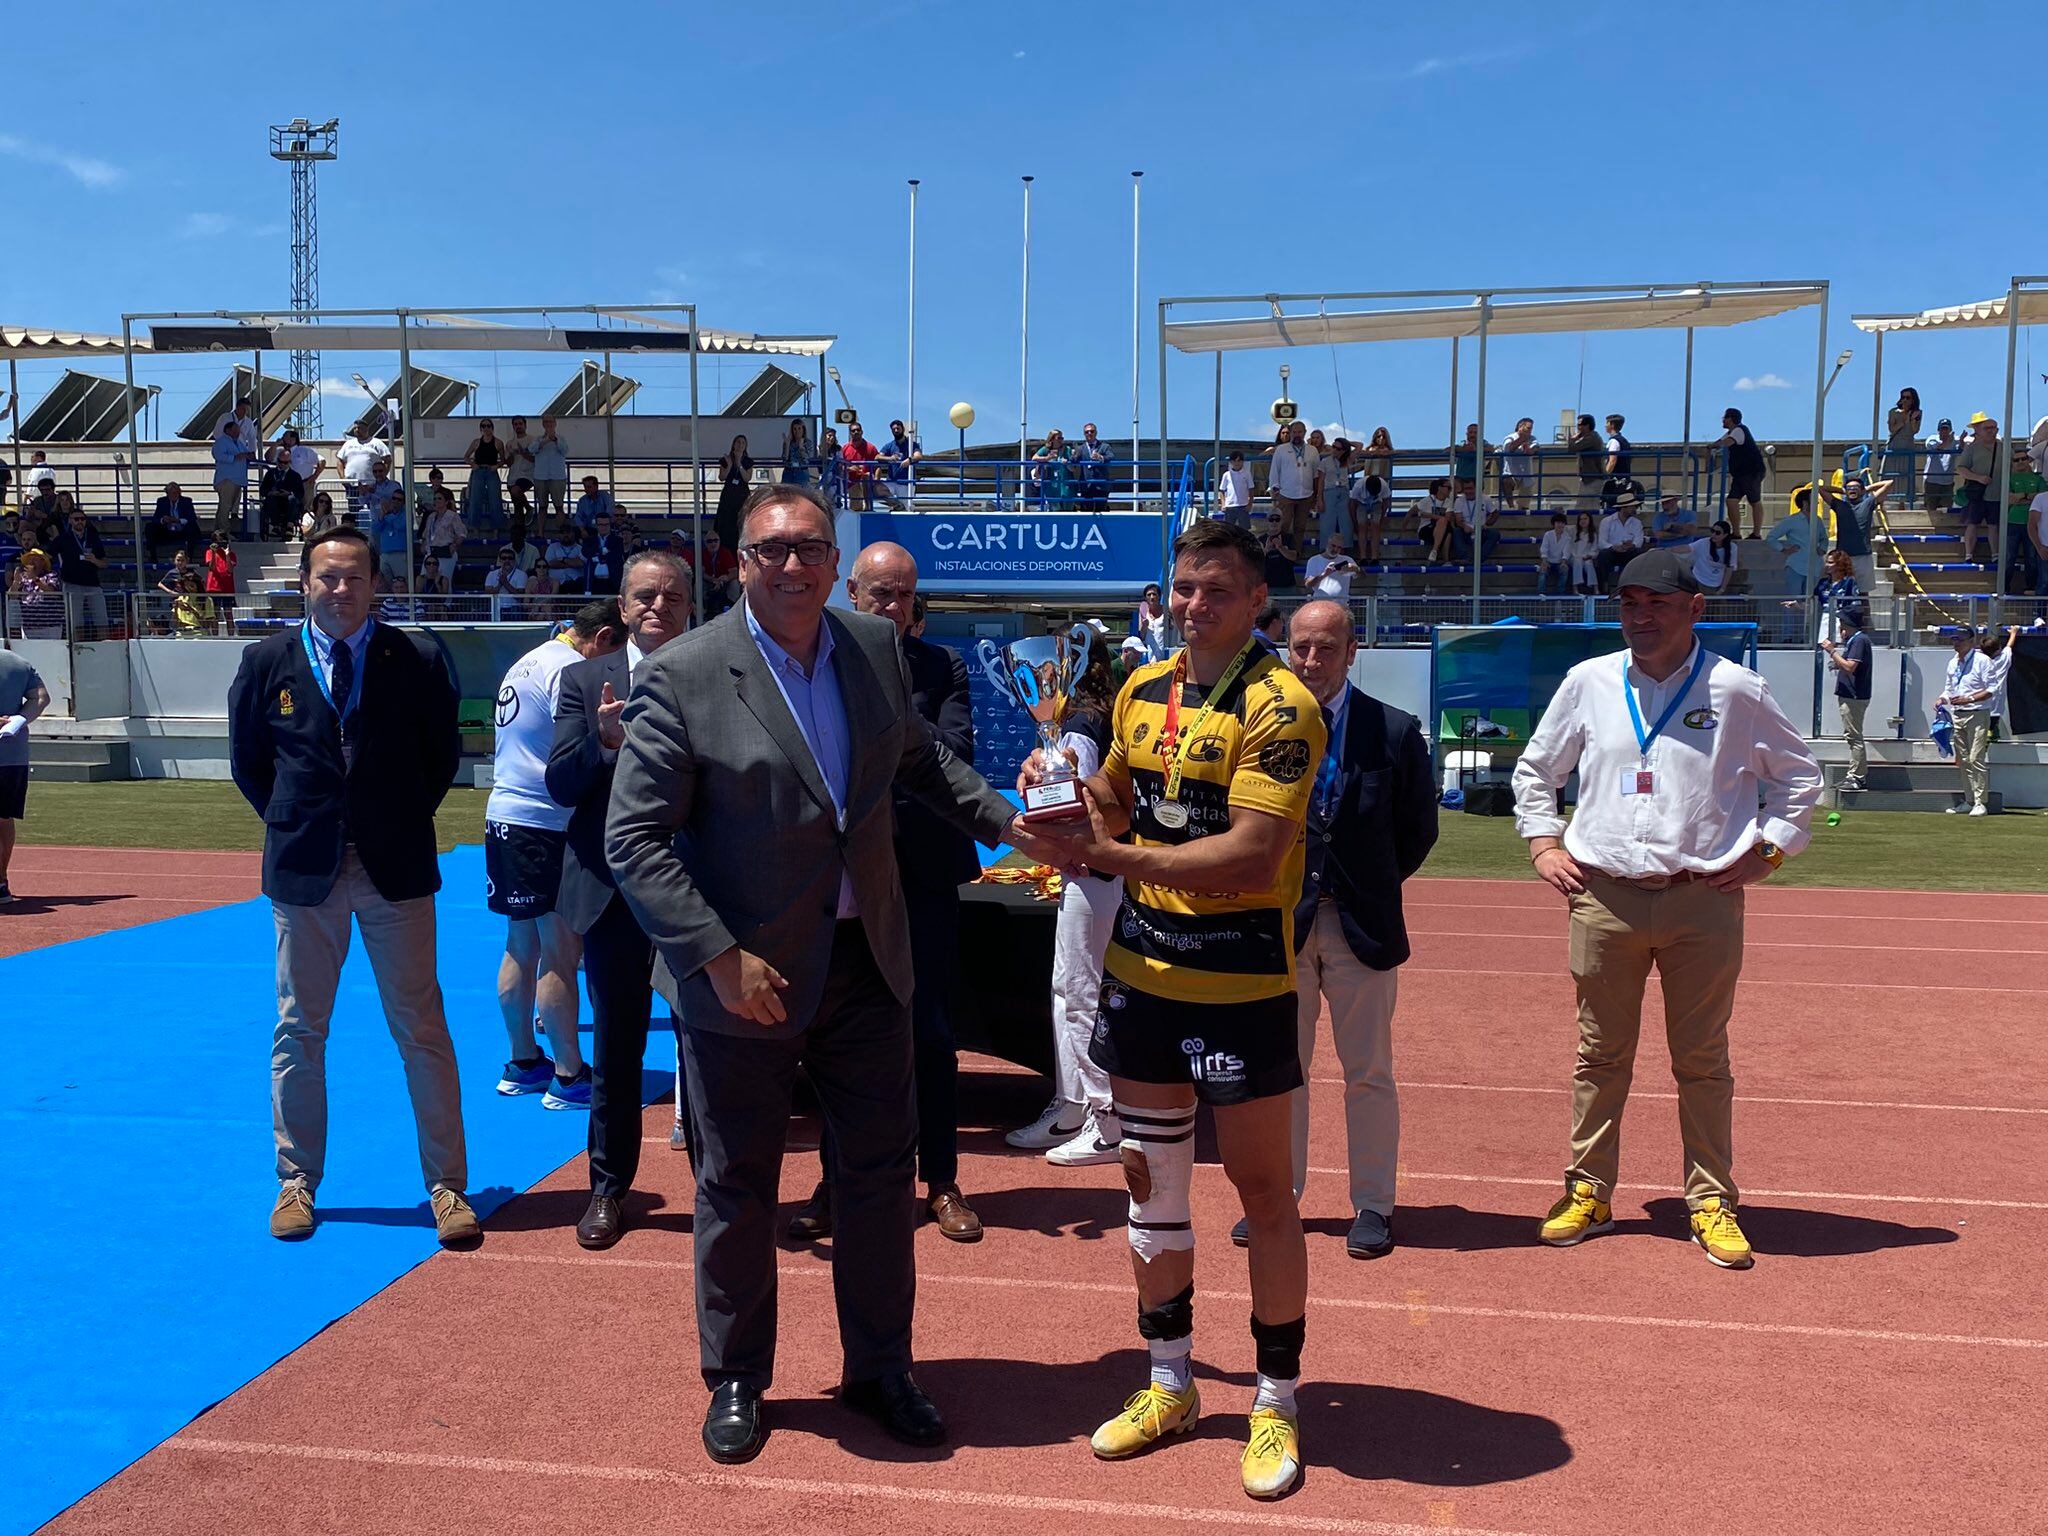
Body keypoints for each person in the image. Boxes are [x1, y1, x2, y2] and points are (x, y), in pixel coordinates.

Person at [604, 482, 1049, 1464]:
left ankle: (879, 1366)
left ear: (831, 552)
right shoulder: (682, 674)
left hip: (866, 964)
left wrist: (1009, 823)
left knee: (881, 1180)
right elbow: (634, 840)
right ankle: (735, 1377)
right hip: (743, 978)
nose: (795, 565)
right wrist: (714, 956)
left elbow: (922, 767)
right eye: (772, 551)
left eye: (810, 546)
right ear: (739, 563)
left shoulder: (873, 648)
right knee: (737, 1185)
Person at [1018, 515, 1325, 1501]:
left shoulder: (1281, 704)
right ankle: (1169, 1383)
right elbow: (1112, 799)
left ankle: (1274, 1400)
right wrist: (1066, 806)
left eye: (1218, 590)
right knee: (1148, 1189)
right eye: (1185, 587)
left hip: (1241, 987)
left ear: (1255, 602)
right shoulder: (1143, 688)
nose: (1196, 606)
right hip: (1141, 979)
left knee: (1263, 1196)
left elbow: (1250, 855)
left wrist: (1113, 857)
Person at [1512, 548, 1821, 1271]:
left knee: (1703, 1061)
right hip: (1604, 898)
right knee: (1599, 1055)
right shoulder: (1588, 681)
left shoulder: (1737, 689)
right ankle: (1588, 1189)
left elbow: (1801, 778)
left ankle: (1711, 1200)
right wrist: (1541, 844)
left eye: (1656, 602)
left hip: (1702, 899)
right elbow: (1536, 770)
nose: (1640, 615)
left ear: (1694, 608)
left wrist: (1770, 851)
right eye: (1629, 602)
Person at [226, 526, 479, 1248]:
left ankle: (447, 1187)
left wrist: (383, 822)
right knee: (299, 1032)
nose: (341, 590)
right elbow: (250, 763)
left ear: (376, 585)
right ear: (306, 583)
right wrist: (305, 821)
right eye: (327, 578)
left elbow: (440, 759)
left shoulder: (418, 657)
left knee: (422, 1029)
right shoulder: (267, 659)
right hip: (305, 873)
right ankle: (296, 1182)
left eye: (354, 579)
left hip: (393, 870)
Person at [792, 542, 986, 1241]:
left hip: (925, 875)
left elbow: (953, 756)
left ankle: (942, 1181)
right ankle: (836, 1180)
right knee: (840, 1040)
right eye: (880, 594)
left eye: (904, 595)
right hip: (847, 878)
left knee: (932, 1035)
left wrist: (896, 699)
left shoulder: (943, 666)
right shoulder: (821, 662)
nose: (893, 607)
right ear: (851, 591)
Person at [1278, 599, 1436, 1259]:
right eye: (1302, 647)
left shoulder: (1394, 732)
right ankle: (1275, 1198)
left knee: (1368, 1072)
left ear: (1352, 651)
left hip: (1360, 927)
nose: (1312, 661)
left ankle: (1372, 1204)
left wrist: (1362, 885)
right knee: (1283, 1072)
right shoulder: (1264, 726)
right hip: (1283, 925)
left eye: (1326, 648)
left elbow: (1417, 832)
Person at [548, 560, 695, 1249]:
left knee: (712, 1044)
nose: (658, 605)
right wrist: (604, 745)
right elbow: (561, 783)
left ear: (691, 605)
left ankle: (720, 1188)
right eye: (646, 594)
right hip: (614, 894)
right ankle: (608, 1188)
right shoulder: (582, 680)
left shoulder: (718, 675)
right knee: (617, 1045)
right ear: (623, 604)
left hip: (702, 890)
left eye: (672, 595)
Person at [487, 604, 623, 1114]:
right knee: (560, 951)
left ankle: (523, 1061)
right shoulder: (568, 669)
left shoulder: (527, 660)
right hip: (546, 822)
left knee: (521, 944)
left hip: (505, 812)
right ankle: (568, 1072)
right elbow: (591, 746)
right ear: (603, 637)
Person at [1006, 642, 1124, 1166]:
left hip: (1094, 872)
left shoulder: (1077, 727)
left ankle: (1105, 1121)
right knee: (1069, 989)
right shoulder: (1094, 717)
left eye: (1052, 670)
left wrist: (1060, 843)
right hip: (1097, 873)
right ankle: (1072, 1108)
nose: (1045, 678)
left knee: (1081, 993)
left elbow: (1083, 802)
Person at [0, 645, 50, 902]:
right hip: (11, 754)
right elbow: (41, 698)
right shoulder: (17, 662)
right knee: (4, 818)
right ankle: (0, 881)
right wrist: (18, 720)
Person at [1937, 627, 1995, 816]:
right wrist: (1942, 699)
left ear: (1971, 641)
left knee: (1976, 758)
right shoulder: (1953, 662)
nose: (1957, 643)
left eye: (1960, 639)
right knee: (1963, 760)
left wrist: (1968, 699)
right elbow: (1949, 688)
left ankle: (1980, 802)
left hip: (1977, 713)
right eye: (1954, 639)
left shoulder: (1982, 661)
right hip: (1957, 714)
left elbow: (1991, 689)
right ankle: (1969, 800)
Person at [1819, 604, 1873, 792]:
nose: (1841, 626)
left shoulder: (1859, 641)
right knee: (1852, 735)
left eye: (1842, 622)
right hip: (1850, 695)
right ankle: (1856, 775)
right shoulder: (1855, 640)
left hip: (1854, 696)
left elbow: (1850, 667)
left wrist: (1832, 651)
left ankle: (1857, 777)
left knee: (1854, 736)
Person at [1707, 408, 1770, 539]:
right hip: (1740, 473)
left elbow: (1727, 443)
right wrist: (1711, 446)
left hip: (1751, 471)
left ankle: (1757, 533)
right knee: (1731, 501)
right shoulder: (1731, 432)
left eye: (1725, 418)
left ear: (1731, 418)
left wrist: (1713, 447)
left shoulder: (1739, 430)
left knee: (1754, 501)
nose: (1723, 420)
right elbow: (1721, 441)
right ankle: (1736, 533)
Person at [49, 504, 109, 636]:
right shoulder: (63, 538)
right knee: (76, 623)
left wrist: (94, 560)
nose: (79, 521)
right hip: (72, 584)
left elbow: (104, 563)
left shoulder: (93, 537)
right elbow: (48, 556)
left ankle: (105, 650)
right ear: (70, 520)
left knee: (101, 620)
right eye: (76, 519)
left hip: (93, 584)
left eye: (82, 519)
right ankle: (77, 651)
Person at [1267, 420, 1317, 557]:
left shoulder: (1313, 451)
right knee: (1283, 525)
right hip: (1286, 494)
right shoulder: (1281, 449)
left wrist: (1316, 495)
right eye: (1294, 432)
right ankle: (1278, 551)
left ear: (1305, 433)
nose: (1297, 435)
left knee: (1300, 527)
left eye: (1300, 432)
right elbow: (1274, 471)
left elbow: (1316, 474)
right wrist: (1275, 490)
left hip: (1306, 494)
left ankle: (1296, 553)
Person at [1954, 413, 2000, 563]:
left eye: (1993, 428)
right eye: (1987, 428)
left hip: (1997, 494)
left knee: (1994, 526)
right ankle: (1969, 555)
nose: (1990, 431)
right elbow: (1960, 468)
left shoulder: (2004, 447)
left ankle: (1995, 555)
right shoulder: (1972, 448)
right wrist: (1978, 478)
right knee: (1972, 524)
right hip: (1977, 494)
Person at [2003, 445, 2045, 594]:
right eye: (2016, 460)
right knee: (2008, 558)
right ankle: (2004, 588)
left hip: (2034, 525)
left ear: (2029, 460)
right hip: (2013, 522)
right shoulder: (2008, 479)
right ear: (2012, 462)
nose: (2020, 462)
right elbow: (2008, 499)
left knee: (2032, 558)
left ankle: (2031, 587)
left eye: (2024, 458)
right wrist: (2029, 496)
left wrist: (2021, 496)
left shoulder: (2038, 479)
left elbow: (2041, 499)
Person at [1594, 489, 1647, 593]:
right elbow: (1601, 543)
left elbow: (1639, 542)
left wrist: (1631, 545)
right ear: (1624, 507)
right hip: (1612, 552)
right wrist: (1613, 547)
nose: (1634, 509)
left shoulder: (1637, 523)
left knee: (1639, 553)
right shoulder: (1607, 521)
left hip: (1629, 552)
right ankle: (1603, 586)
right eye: (1632, 506)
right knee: (1603, 555)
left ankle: (1637, 586)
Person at [212, 414, 254, 535]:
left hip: (238, 480)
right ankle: (224, 531)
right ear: (228, 430)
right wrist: (235, 457)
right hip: (226, 479)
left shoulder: (240, 443)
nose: (238, 432)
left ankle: (217, 531)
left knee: (226, 506)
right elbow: (218, 455)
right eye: (235, 430)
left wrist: (249, 455)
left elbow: (246, 454)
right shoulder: (221, 442)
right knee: (225, 506)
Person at [336, 424, 389, 520]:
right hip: (352, 486)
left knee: (374, 512)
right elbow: (339, 460)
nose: (357, 430)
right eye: (355, 428)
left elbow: (388, 459)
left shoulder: (376, 443)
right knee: (354, 513)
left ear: (366, 428)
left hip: (372, 485)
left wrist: (382, 475)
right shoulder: (348, 444)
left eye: (359, 428)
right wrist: (342, 478)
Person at [1881, 387, 1923, 506]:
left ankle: (1902, 504)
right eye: (1903, 397)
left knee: (1906, 476)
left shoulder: (1917, 412)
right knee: (1889, 474)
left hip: (1908, 445)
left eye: (1908, 398)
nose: (1905, 400)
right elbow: (1892, 429)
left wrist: (1912, 419)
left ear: (1913, 400)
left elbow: (1915, 430)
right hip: (1895, 445)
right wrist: (1904, 420)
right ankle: (1882, 502)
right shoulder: (1893, 412)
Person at [8, 550, 64, 638]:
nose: (31, 561)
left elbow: (52, 591)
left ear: (43, 562)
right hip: (29, 627)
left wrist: (35, 578)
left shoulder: (51, 575)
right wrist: (16, 581)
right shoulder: (23, 578)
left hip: (50, 626)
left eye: (35, 559)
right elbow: (12, 596)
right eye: (29, 559)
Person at [146, 483, 204, 565]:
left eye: (175, 493)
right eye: (170, 493)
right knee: (150, 527)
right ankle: (152, 557)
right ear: (167, 494)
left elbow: (192, 518)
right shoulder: (162, 501)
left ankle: (189, 558)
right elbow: (155, 518)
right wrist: (163, 520)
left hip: (182, 531)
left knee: (192, 528)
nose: (173, 495)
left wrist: (178, 520)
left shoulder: (186, 501)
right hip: (167, 531)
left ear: (179, 493)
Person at [420, 489, 467, 590]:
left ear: (446, 501)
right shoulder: (431, 517)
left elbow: (462, 533)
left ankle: (445, 604)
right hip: (431, 552)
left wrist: (454, 546)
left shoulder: (453, 516)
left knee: (444, 580)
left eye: (439, 498)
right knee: (424, 579)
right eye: (435, 499)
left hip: (445, 552)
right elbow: (426, 534)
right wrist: (423, 544)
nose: (436, 501)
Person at [464, 420, 506, 530]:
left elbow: (503, 460)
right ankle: (474, 528)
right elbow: (466, 457)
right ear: (480, 429)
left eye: (488, 426)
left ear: (492, 428)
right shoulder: (476, 442)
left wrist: (496, 466)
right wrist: (472, 464)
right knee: (475, 499)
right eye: (483, 426)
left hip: (491, 471)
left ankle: (496, 529)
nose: (486, 428)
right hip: (478, 471)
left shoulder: (498, 442)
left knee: (495, 500)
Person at [258, 449, 306, 542]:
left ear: (289, 462)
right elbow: (263, 490)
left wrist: (289, 493)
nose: (282, 464)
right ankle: (276, 525)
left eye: (285, 462)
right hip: (274, 501)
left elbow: (300, 493)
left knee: (293, 499)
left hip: (289, 503)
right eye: (280, 462)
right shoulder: (271, 474)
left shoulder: (295, 476)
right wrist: (270, 492)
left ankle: (290, 526)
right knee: (271, 499)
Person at [531, 416, 571, 526]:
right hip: (540, 477)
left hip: (557, 477)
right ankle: (540, 533)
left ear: (555, 423)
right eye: (546, 422)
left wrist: (554, 439)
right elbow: (532, 449)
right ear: (543, 424)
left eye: (550, 421)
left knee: (559, 506)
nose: (548, 424)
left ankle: (561, 533)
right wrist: (546, 440)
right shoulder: (538, 439)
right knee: (542, 507)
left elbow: (564, 450)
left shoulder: (561, 438)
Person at [714, 435, 753, 547]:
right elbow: (722, 477)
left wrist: (739, 464)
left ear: (745, 446)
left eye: (743, 443)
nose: (740, 445)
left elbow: (747, 478)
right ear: (733, 444)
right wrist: (730, 465)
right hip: (728, 495)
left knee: (740, 522)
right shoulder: (726, 459)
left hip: (742, 495)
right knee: (725, 524)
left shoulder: (748, 461)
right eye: (738, 442)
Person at [877, 420, 923, 509]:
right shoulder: (889, 445)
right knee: (878, 489)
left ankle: (902, 509)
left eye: (898, 428)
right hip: (891, 481)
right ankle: (897, 505)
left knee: (907, 508)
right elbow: (878, 457)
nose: (896, 430)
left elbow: (918, 456)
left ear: (903, 429)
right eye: (894, 429)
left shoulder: (912, 444)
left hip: (906, 482)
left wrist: (909, 460)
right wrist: (889, 458)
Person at [1317, 437, 1352, 550]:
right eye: (1333, 446)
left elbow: (1359, 446)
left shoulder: (1347, 460)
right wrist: (1320, 500)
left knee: (1345, 522)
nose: (1334, 450)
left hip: (1343, 492)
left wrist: (1347, 443)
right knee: (1327, 523)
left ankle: (1344, 548)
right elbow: (1321, 481)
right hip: (1329, 492)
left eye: (1338, 448)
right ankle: (1325, 548)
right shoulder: (1325, 461)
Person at [1347, 473, 1390, 566]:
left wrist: (1382, 517)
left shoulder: (1384, 486)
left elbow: (1386, 502)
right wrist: (1355, 523)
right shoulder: (1358, 486)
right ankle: (1363, 557)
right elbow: (1352, 504)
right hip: (1361, 503)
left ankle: (1375, 558)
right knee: (1362, 528)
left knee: (1376, 527)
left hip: (1377, 503)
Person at [1413, 476, 1456, 566]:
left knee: (1447, 529)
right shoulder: (1427, 500)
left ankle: (1436, 553)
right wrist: (1402, 531)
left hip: (1441, 529)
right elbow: (1410, 513)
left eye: (1451, 488)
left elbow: (1447, 518)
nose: (1450, 490)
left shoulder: (1449, 502)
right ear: (1440, 488)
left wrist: (1427, 515)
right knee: (1444, 525)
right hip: (1426, 529)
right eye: (1448, 488)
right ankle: (1442, 557)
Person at [1689, 520, 1740, 594]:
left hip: (1714, 584)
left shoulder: (1732, 548)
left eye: (1718, 533)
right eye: (1712, 531)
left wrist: (1722, 588)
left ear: (1725, 535)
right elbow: (1688, 548)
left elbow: (1729, 569)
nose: (1713, 535)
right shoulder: (1704, 542)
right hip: (1698, 580)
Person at [583, 512, 627, 596]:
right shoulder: (589, 540)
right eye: (601, 525)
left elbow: (615, 556)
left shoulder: (618, 540)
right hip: (593, 582)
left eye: (606, 524)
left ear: (610, 525)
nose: (604, 527)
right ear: (596, 525)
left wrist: (597, 555)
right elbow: (587, 553)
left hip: (612, 582)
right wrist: (604, 552)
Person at [280, 429, 324, 513]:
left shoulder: (304, 450)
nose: (283, 438)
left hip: (305, 484)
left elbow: (322, 461)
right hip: (287, 485)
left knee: (307, 510)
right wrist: (275, 444)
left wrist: (314, 476)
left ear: (293, 439)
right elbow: (268, 457)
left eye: (285, 436)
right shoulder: (281, 451)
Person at [1303, 536, 1358, 601]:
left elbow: (1363, 576)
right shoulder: (1314, 560)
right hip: (1320, 604)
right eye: (1333, 546)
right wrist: (1324, 574)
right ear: (1327, 544)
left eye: (1339, 547)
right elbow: (1308, 584)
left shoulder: (1348, 560)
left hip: (1341, 605)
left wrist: (1356, 569)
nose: (1335, 549)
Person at [1499, 417, 1538, 508]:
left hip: (1526, 475)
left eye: (1531, 428)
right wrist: (1522, 439)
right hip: (1512, 473)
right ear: (1520, 426)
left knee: (1524, 507)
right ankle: (1511, 506)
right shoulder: (1510, 437)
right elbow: (1509, 448)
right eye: (1528, 428)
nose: (1530, 431)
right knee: (1505, 481)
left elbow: (1535, 447)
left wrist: (1530, 450)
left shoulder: (1532, 438)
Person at [505, 417, 537, 527]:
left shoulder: (532, 440)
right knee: (517, 505)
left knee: (516, 490)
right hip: (513, 476)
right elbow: (508, 463)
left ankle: (528, 508)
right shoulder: (510, 443)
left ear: (525, 425)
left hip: (527, 475)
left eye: (520, 423)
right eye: (515, 424)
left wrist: (523, 453)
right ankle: (519, 531)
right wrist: (512, 454)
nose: (518, 426)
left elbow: (535, 459)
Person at [1031, 429, 1073, 511]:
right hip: (1052, 485)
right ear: (1052, 439)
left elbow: (1073, 468)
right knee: (1055, 509)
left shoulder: (1067, 449)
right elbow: (1034, 458)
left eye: (1062, 438)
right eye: (1059, 438)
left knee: (1067, 509)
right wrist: (1047, 458)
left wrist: (1067, 463)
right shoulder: (1046, 449)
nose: (1061, 440)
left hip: (1065, 484)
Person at [1923, 417, 1959, 514]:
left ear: (1950, 430)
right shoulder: (1932, 439)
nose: (1944, 431)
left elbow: (1964, 446)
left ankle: (1945, 530)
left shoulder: (1954, 440)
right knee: (1930, 510)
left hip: (1947, 483)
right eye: (1942, 429)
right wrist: (1949, 441)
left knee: (1946, 510)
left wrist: (1962, 441)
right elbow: (1938, 448)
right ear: (1938, 430)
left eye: (1946, 429)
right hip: (1932, 482)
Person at [1570, 414, 1605, 511]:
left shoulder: (1591, 437)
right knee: (1593, 506)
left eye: (1580, 425)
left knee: (1581, 506)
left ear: (1587, 425)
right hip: (1592, 477)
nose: (1578, 427)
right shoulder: (1592, 437)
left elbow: (1573, 448)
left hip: (1592, 477)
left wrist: (1573, 439)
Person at [1075, 422, 1113, 511]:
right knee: (1086, 512)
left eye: (1092, 431)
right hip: (1086, 485)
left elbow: (1111, 456)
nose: (1089, 434)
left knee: (1101, 510)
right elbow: (1073, 460)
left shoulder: (1104, 446)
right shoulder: (1080, 448)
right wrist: (1074, 455)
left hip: (1101, 485)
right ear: (1084, 434)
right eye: (1087, 432)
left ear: (1096, 432)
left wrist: (1101, 457)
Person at [843, 422, 881, 511]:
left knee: (866, 476)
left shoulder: (870, 448)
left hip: (867, 481)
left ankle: (868, 507)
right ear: (850, 433)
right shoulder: (845, 449)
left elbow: (877, 466)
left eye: (858, 430)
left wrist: (876, 480)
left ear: (862, 432)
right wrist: (850, 469)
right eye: (853, 430)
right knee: (855, 509)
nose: (856, 432)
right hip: (852, 482)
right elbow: (840, 467)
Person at [170, 568, 218, 636]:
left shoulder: (207, 600)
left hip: (198, 632)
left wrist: (191, 610)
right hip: (181, 633)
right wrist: (175, 609)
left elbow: (206, 625)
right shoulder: (181, 598)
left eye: (192, 586)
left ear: (198, 585)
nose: (189, 588)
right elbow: (173, 624)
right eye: (186, 586)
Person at [483, 545, 529, 613]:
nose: (507, 560)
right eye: (504, 558)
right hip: (496, 607)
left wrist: (506, 583)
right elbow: (488, 594)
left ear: (514, 560)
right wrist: (499, 584)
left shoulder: (522, 574)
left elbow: (520, 596)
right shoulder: (491, 574)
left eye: (510, 558)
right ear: (500, 560)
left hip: (514, 608)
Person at [1132, 582, 1170, 661]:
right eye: (1149, 595)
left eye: (1154, 594)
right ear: (1145, 598)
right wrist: (1144, 625)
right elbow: (1142, 636)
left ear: (1159, 596)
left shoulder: (1167, 611)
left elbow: (1174, 630)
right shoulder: (1143, 612)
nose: (1152, 597)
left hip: (1166, 654)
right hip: (1150, 655)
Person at [1539, 513, 1574, 596]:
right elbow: (1544, 548)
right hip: (1548, 561)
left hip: (1560, 562)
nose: (1560, 525)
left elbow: (1566, 551)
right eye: (1558, 522)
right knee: (1542, 572)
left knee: (1565, 570)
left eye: (1562, 523)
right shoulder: (1548, 535)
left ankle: (1560, 593)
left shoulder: (1567, 537)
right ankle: (1541, 593)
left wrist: (1564, 562)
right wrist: (1544, 561)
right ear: (1554, 524)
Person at [1218, 450, 1255, 527]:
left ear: (1242, 462)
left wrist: (1250, 504)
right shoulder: (1226, 475)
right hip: (1229, 506)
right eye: (1234, 461)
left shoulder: (1247, 474)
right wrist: (1223, 504)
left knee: (1244, 530)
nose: (1237, 463)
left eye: (1239, 460)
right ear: (1231, 462)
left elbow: (1251, 489)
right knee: (1228, 530)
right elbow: (1222, 490)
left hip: (1243, 506)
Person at [1568, 510, 1600, 595]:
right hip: (1573, 557)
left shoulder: (1593, 534)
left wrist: (1589, 556)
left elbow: (1594, 549)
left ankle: (1595, 587)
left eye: (1585, 518)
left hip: (1586, 557)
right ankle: (1575, 588)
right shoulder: (1573, 530)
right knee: (1577, 561)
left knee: (1589, 563)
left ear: (1590, 520)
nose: (1583, 521)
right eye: (1581, 519)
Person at [203, 525, 238, 599]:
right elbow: (212, 568)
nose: (219, 543)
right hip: (214, 586)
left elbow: (230, 570)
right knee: (215, 610)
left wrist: (227, 555)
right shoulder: (209, 552)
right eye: (217, 541)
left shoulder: (231, 554)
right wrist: (213, 553)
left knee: (228, 608)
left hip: (227, 587)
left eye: (221, 540)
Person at [1260, 525, 1297, 593]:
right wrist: (1266, 550)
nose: (1274, 522)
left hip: (1287, 585)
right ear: (1267, 521)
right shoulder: (1261, 539)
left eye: (1277, 519)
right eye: (1271, 519)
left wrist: (1280, 547)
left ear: (1281, 521)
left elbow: (1294, 557)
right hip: (1267, 585)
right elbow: (1256, 561)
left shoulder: (1289, 537)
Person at [780, 419, 814, 487]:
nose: (797, 431)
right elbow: (785, 459)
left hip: (801, 473)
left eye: (799, 428)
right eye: (794, 429)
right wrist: (787, 445)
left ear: (803, 429)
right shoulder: (788, 442)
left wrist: (801, 448)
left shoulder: (808, 443)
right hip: (788, 473)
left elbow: (806, 460)